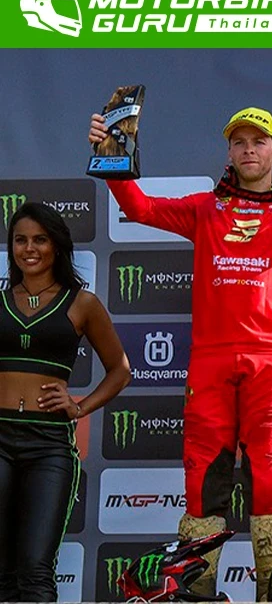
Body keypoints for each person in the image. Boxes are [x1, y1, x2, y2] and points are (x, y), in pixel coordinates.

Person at [88, 107, 272, 600]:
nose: (249, 149)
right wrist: (113, 157)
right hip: (211, 362)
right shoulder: (204, 208)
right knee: (202, 485)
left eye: (259, 141)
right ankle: (197, 593)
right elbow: (140, 208)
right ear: (229, 151)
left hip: (270, 361)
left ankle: (271, 594)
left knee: (270, 482)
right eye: (239, 142)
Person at [0, 202, 130, 601]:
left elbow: (120, 369)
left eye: (40, 239)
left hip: (49, 446)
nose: (29, 249)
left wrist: (79, 407)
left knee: (35, 568)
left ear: (56, 246)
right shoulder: (0, 301)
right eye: (20, 240)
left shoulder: (81, 303)